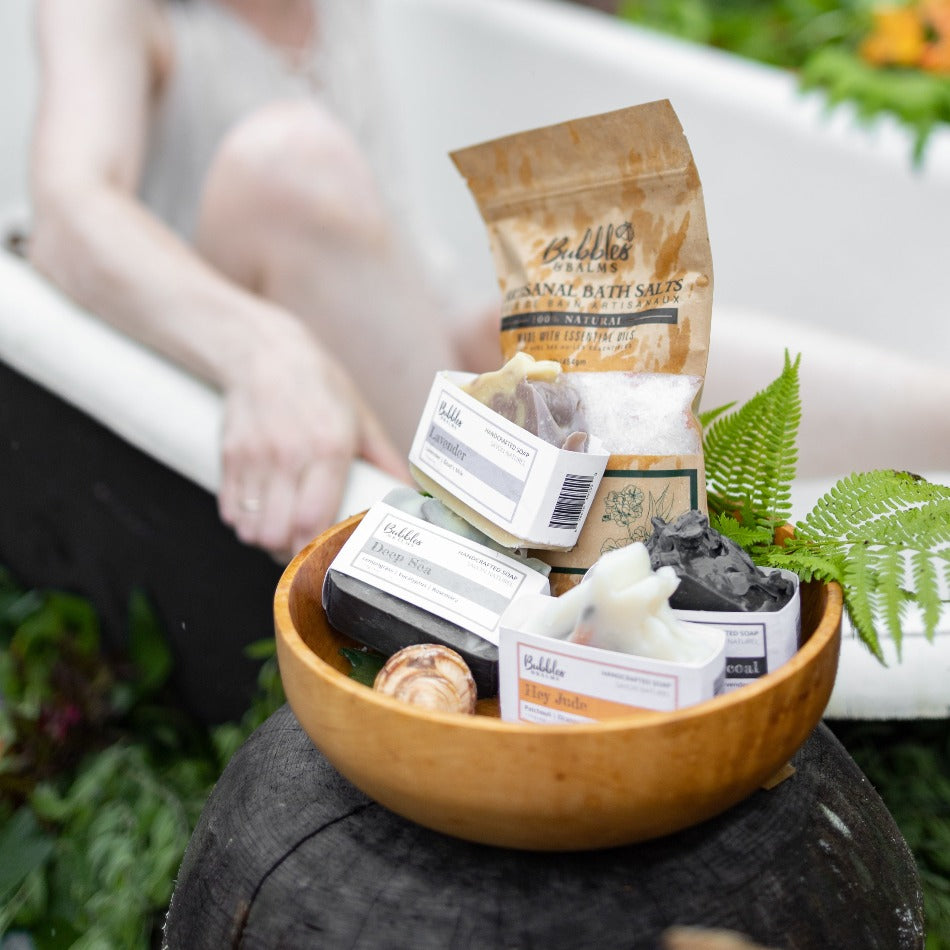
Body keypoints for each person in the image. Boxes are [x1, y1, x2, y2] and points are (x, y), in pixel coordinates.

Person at [28, 0, 501, 561]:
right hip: (221, 432)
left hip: (385, 423)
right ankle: (487, 558)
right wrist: (258, 345)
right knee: (288, 163)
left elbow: (388, 284)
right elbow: (66, 209)